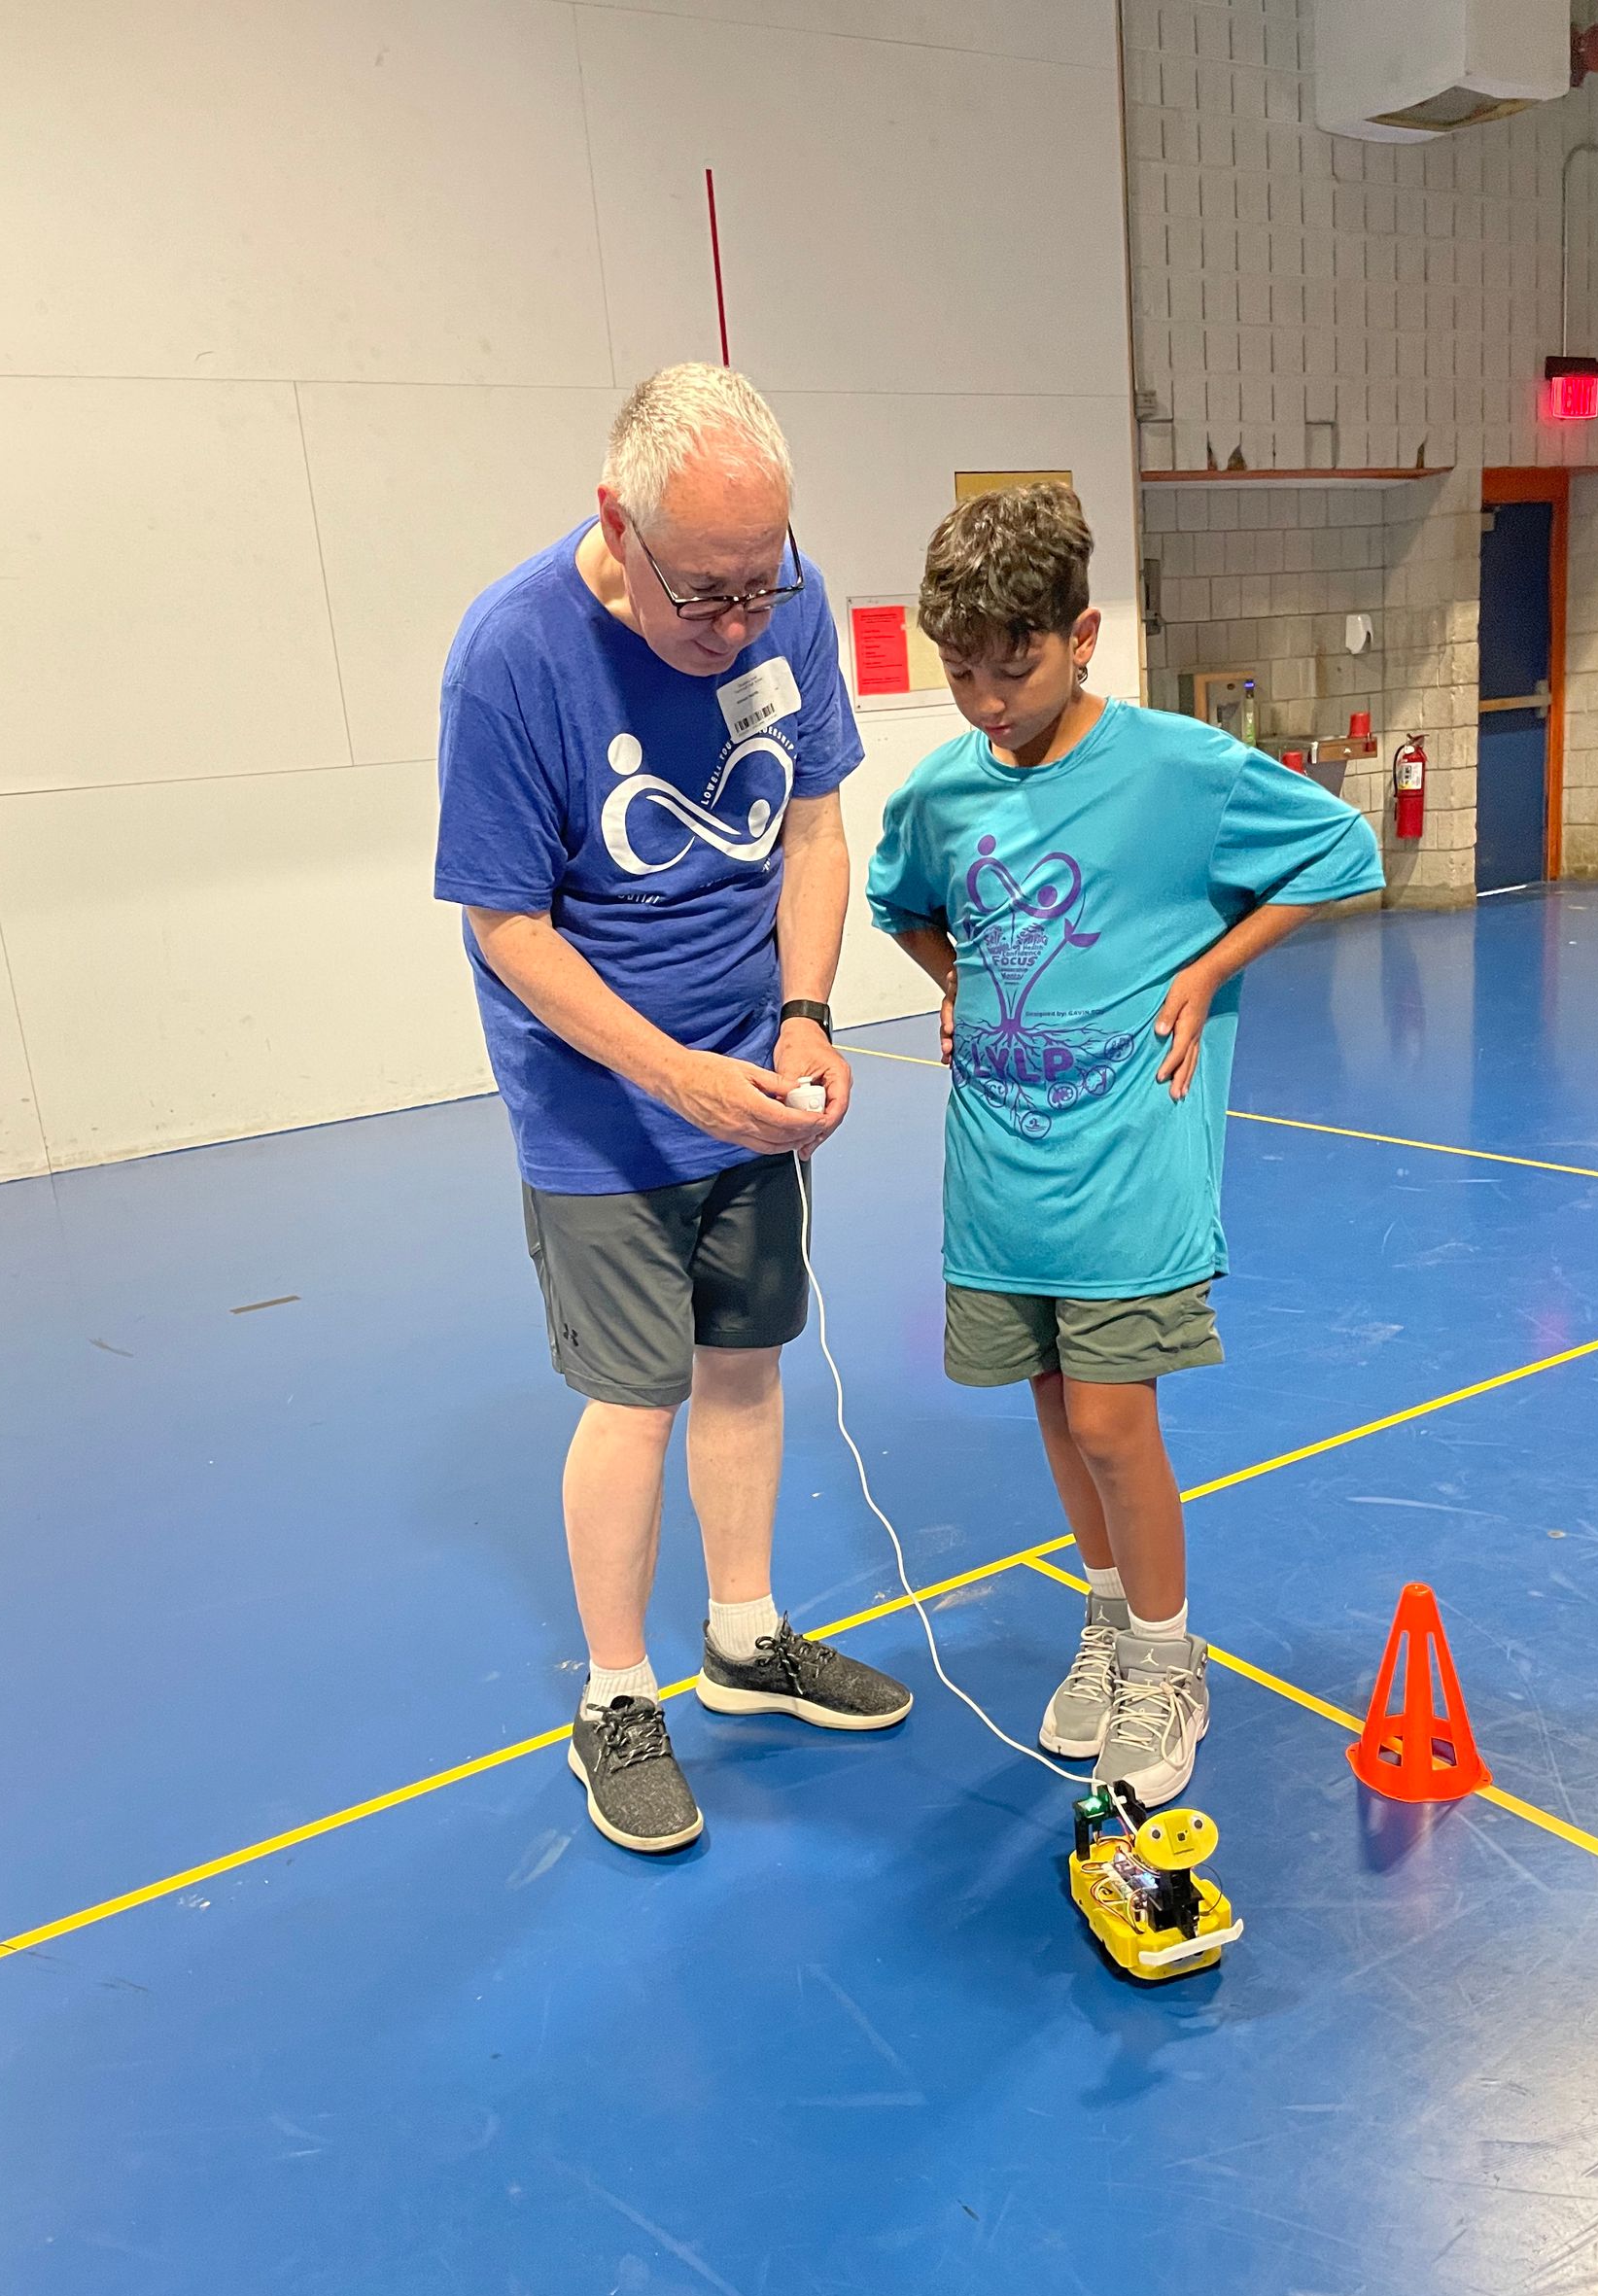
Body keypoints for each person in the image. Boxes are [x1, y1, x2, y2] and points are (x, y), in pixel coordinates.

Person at [434, 364, 910, 1858]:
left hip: (751, 1082)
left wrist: (807, 1014)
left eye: (758, 590)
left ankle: (746, 1639)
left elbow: (821, 822)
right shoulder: (510, 659)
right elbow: (506, 927)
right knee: (632, 1396)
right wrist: (670, 1073)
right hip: (603, 1111)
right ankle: (619, 1699)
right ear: (616, 528)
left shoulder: (789, 601)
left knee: (746, 1362)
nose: (734, 627)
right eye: (702, 596)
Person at [867, 485, 1383, 1801]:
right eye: (961, 669)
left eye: (1015, 664)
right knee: (1055, 1408)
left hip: (1126, 1167)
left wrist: (1208, 971)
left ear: (1083, 632)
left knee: (1111, 1415)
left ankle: (1167, 1659)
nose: (985, 698)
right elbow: (902, 902)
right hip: (1001, 1169)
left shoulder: (1176, 768)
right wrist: (956, 986)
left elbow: (1341, 848)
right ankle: (1108, 1624)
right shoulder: (942, 792)